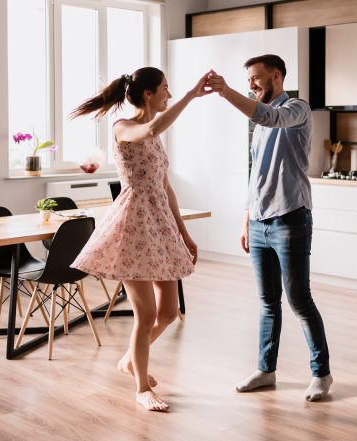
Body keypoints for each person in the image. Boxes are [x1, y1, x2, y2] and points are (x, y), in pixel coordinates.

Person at [70, 67, 212, 411]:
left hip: (159, 225)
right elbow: (150, 127)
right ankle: (140, 388)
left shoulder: (154, 134)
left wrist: (184, 233)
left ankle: (131, 359)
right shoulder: (124, 128)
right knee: (146, 315)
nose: (170, 94)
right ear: (148, 93)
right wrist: (193, 95)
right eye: (165, 88)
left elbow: (165, 187)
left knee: (169, 311)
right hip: (133, 227)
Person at [207, 55, 333, 401]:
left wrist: (227, 92)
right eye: (247, 80)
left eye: (256, 78)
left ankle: (321, 373)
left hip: (290, 217)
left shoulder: (296, 109)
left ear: (276, 76)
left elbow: (271, 117)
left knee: (299, 301)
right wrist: (247, 218)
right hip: (260, 221)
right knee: (267, 303)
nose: (251, 84)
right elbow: (256, 173)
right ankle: (266, 370)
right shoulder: (257, 120)